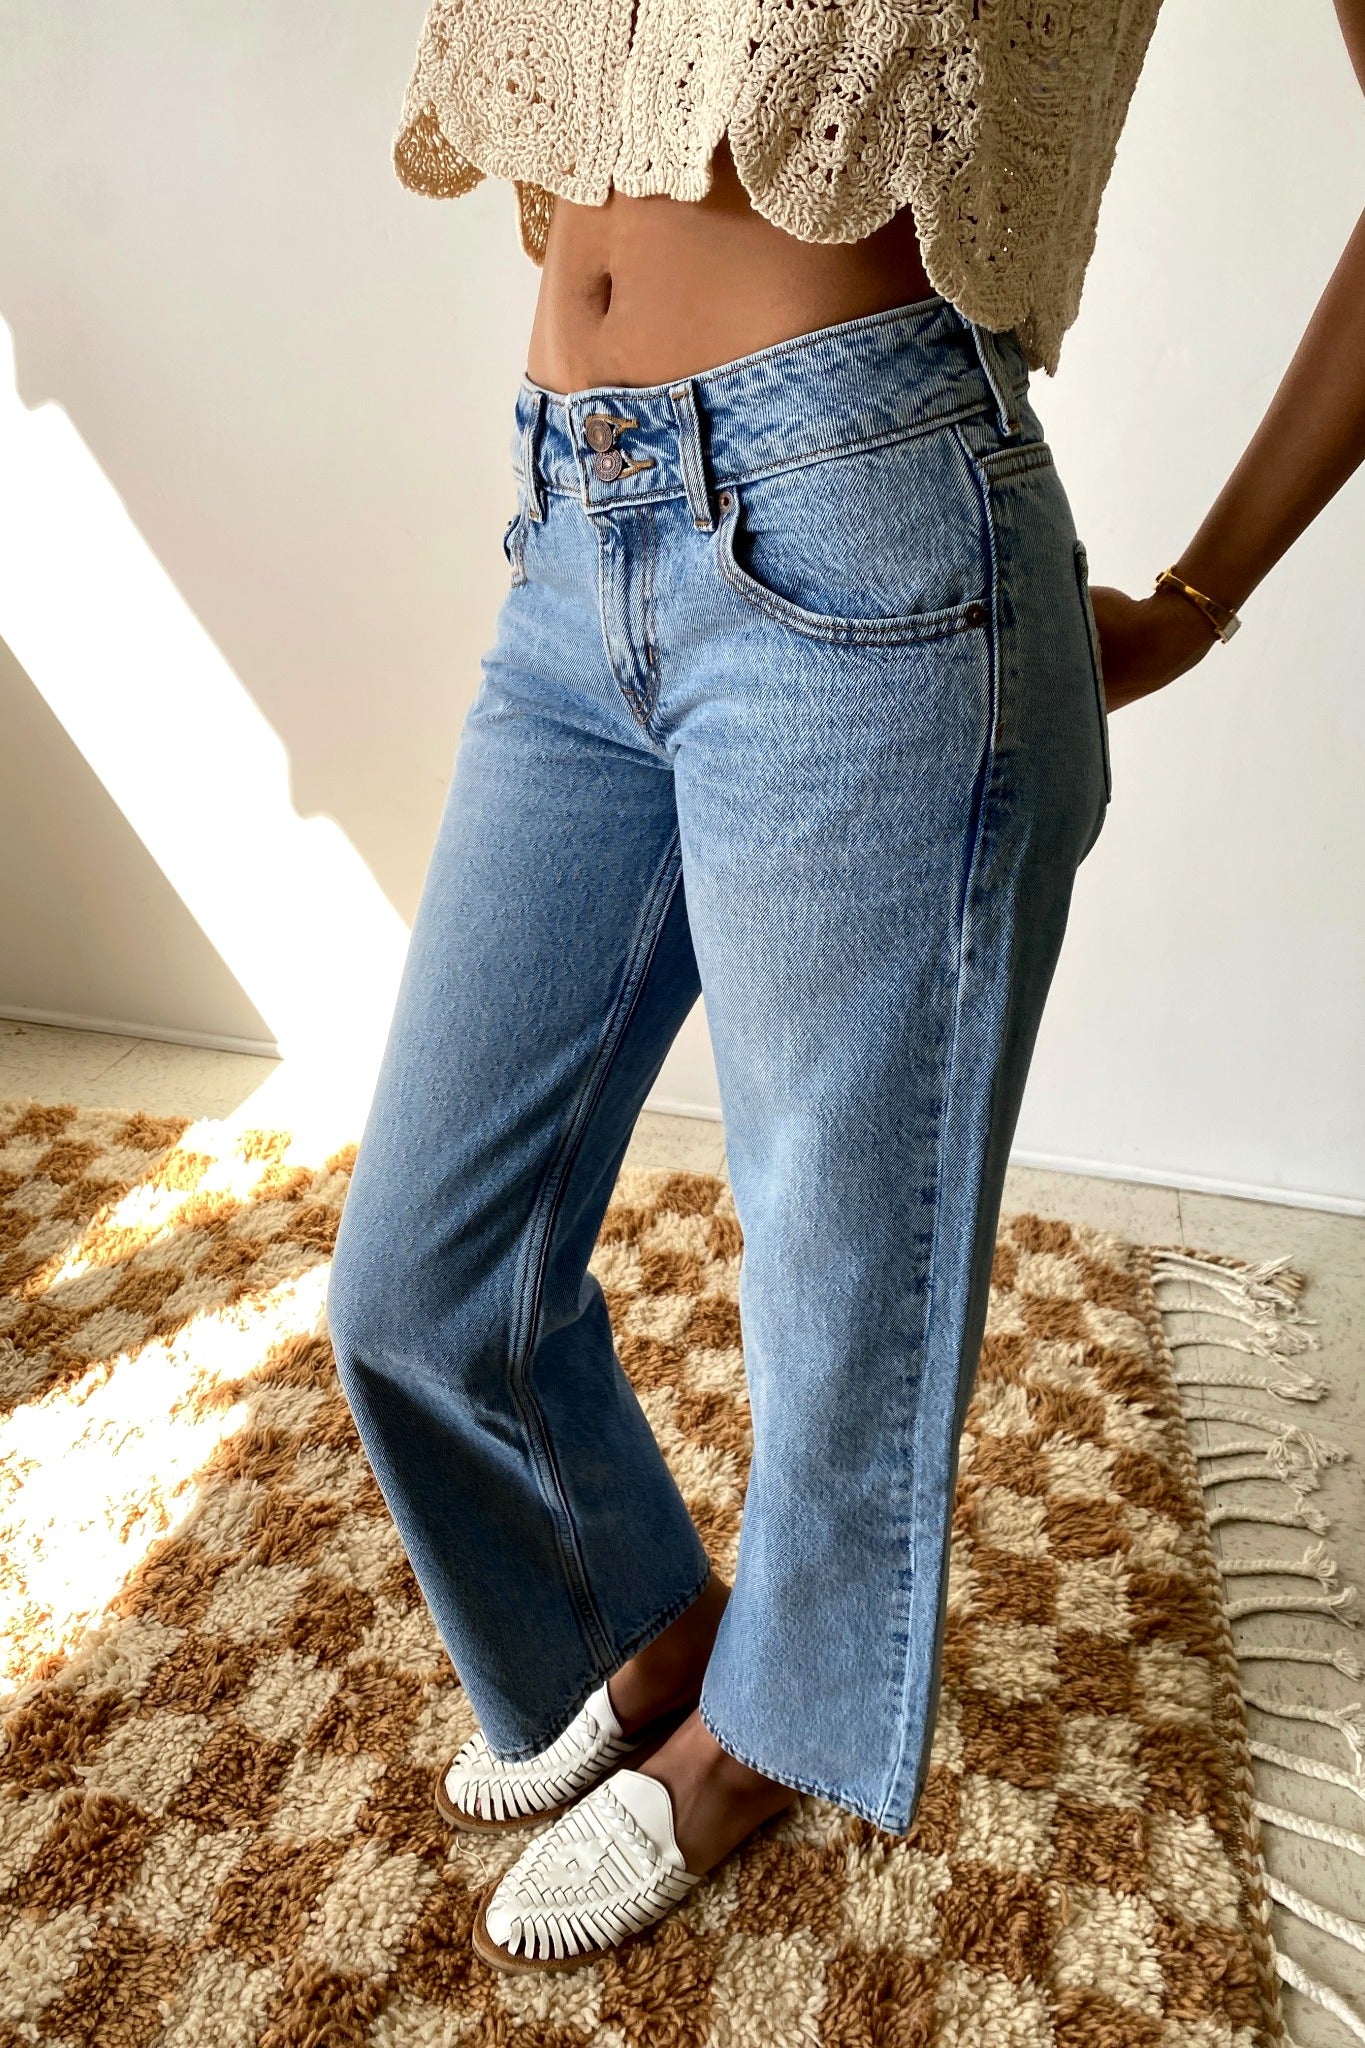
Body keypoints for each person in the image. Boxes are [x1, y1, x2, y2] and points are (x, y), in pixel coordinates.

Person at [327, 0, 1365, 1973]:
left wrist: (1202, 593)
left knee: (842, 1278)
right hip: (573, 524)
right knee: (420, 1285)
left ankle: (763, 1736)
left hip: (868, 532)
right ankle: (649, 1636)